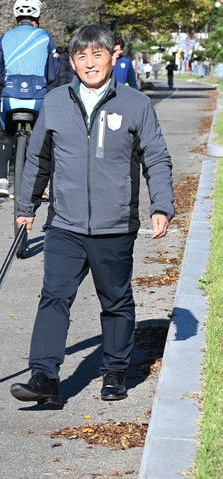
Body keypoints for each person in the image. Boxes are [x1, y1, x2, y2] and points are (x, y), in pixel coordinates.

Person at [10, 24, 174, 408]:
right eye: (81, 56)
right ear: (72, 62)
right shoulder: (55, 102)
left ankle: (115, 370)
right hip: (64, 224)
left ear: (112, 57)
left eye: (97, 55)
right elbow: (38, 158)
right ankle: (45, 377)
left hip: (114, 224)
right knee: (54, 296)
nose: (90, 63)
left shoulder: (136, 104)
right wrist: (25, 207)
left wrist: (161, 205)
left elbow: (156, 158)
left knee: (115, 300)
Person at [0, 0, 58, 198]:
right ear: (37, 17)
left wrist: (11, 83)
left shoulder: (4, 37)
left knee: (5, 134)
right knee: (44, 139)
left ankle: (2, 180)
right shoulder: (45, 37)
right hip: (38, 96)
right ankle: (43, 184)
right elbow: (53, 75)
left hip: (11, 96)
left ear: (16, 17)